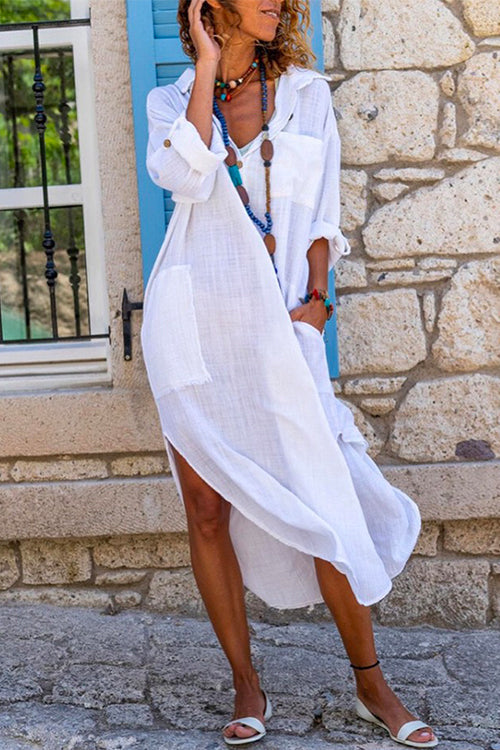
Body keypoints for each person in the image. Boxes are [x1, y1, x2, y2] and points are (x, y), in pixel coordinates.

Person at [140, 0, 438, 746]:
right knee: (206, 510)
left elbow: (322, 212)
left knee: (324, 495)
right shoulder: (170, 102)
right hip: (196, 323)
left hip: (283, 326)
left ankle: (372, 685)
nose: (278, 0)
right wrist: (208, 67)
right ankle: (247, 685)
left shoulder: (306, 94)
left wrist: (316, 302)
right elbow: (183, 176)